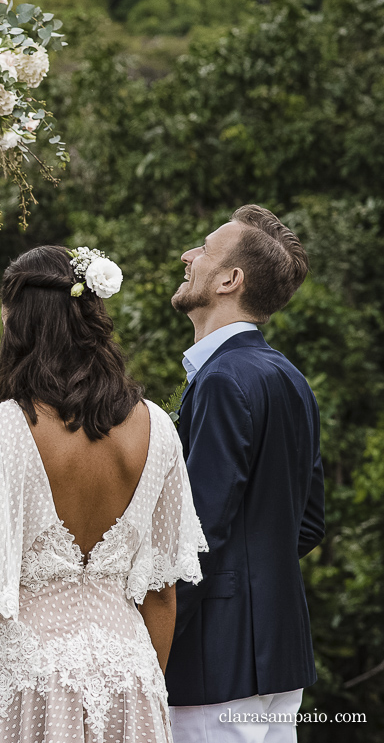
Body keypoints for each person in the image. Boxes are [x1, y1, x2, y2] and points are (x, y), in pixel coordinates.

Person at [0, 245, 208, 743]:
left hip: (28, 683)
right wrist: (143, 686)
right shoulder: (158, 429)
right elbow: (162, 592)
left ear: (18, 324)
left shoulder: (2, 430)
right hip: (130, 679)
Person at [166, 205, 324, 743]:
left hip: (214, 660)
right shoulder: (290, 377)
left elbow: (199, 535)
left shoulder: (221, 381)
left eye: (204, 250)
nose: (189, 256)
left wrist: (152, 634)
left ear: (231, 279)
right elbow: (308, 524)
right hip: (278, 655)